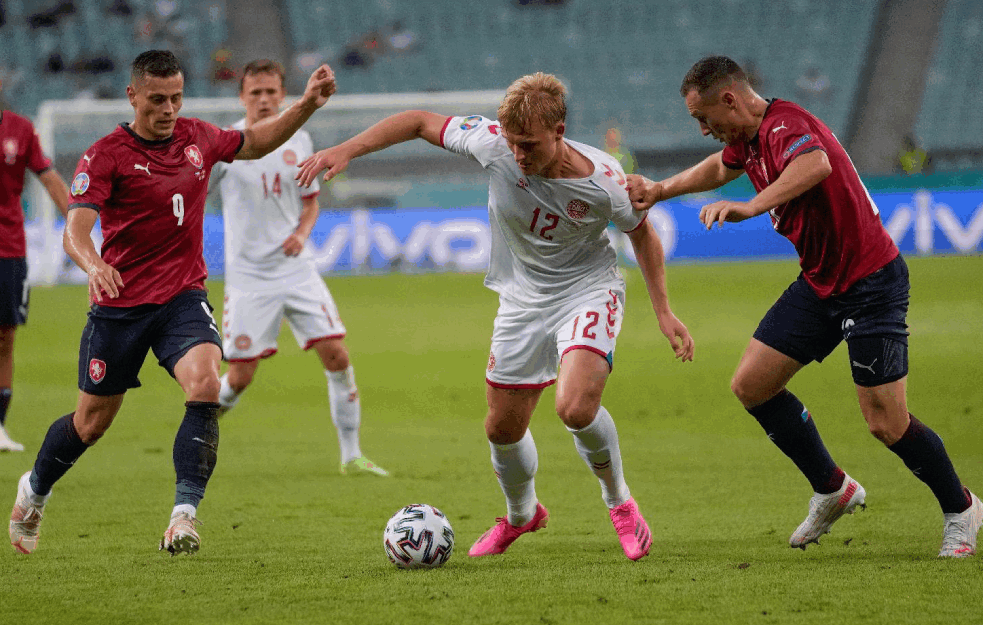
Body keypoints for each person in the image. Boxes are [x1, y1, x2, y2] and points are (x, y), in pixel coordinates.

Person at [297, 72, 695, 561]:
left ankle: (621, 504)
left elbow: (643, 236)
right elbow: (420, 121)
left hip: (587, 291)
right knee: (501, 429)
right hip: (521, 299)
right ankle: (522, 515)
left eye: (528, 144)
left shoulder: (606, 180)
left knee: (574, 407)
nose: (519, 155)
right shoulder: (494, 145)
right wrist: (348, 150)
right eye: (513, 143)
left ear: (560, 130)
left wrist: (664, 312)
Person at [627, 55, 981, 557]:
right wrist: (660, 190)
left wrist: (752, 205)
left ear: (730, 98)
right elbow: (717, 168)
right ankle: (833, 487)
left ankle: (961, 507)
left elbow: (816, 164)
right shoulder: (745, 140)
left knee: (885, 422)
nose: (703, 129)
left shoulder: (785, 125)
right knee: (752, 385)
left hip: (870, 281)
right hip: (820, 284)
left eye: (703, 117)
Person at [8, 49, 336, 556]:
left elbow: (255, 141)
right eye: (157, 99)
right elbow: (75, 230)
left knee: (205, 383)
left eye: (176, 98)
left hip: (182, 297)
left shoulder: (199, 138)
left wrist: (308, 104)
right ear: (132, 95)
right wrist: (94, 264)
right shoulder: (105, 155)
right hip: (119, 307)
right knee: (91, 423)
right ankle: (35, 490)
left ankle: (183, 518)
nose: (168, 109)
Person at [210, 59, 387, 477]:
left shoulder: (300, 140)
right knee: (238, 378)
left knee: (337, 356)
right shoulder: (226, 146)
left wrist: (302, 235)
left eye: (272, 91)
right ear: (242, 97)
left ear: (283, 95)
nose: (265, 99)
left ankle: (351, 455)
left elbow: (310, 203)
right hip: (249, 278)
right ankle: (198, 431)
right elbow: (195, 192)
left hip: (296, 269)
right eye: (256, 92)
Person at [0, 80, 71, 452]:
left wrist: (77, 225)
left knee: (5, 336)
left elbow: (50, 178)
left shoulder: (20, 129)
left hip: (8, 248)